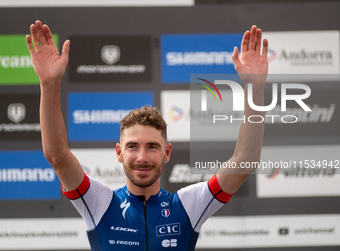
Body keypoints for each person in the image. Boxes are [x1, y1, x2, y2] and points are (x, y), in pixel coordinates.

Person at [26, 20, 268, 251]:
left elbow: (244, 160)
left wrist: (255, 86)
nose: (142, 157)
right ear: (119, 152)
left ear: (167, 153)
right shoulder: (99, 202)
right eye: (132, 146)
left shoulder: (188, 205)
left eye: (152, 146)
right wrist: (49, 84)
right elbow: (57, 155)